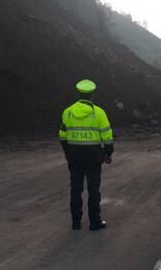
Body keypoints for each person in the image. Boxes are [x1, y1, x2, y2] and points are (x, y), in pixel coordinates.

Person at [59, 79, 113, 231]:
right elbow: (107, 137)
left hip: (74, 157)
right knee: (93, 190)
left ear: (78, 93)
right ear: (92, 94)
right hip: (94, 158)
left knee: (75, 189)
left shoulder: (68, 112)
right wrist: (108, 153)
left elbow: (62, 136)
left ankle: (76, 222)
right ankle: (95, 222)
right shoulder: (99, 113)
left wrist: (67, 153)